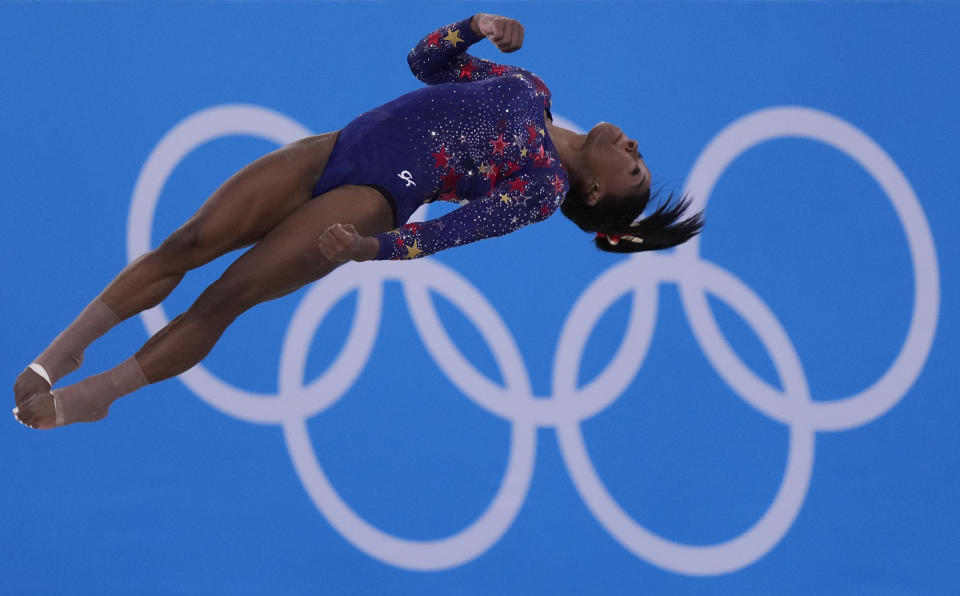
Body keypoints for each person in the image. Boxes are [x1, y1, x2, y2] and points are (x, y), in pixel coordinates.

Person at [12, 13, 702, 430]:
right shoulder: (531, 88)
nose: (636, 152)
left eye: (635, 175)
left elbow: (448, 233)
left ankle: (99, 394)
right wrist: (477, 26)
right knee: (188, 242)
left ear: (594, 193)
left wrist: (370, 247)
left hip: (377, 192)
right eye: (642, 159)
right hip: (337, 146)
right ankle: (58, 353)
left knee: (225, 296)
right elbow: (426, 62)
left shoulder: (546, 188)